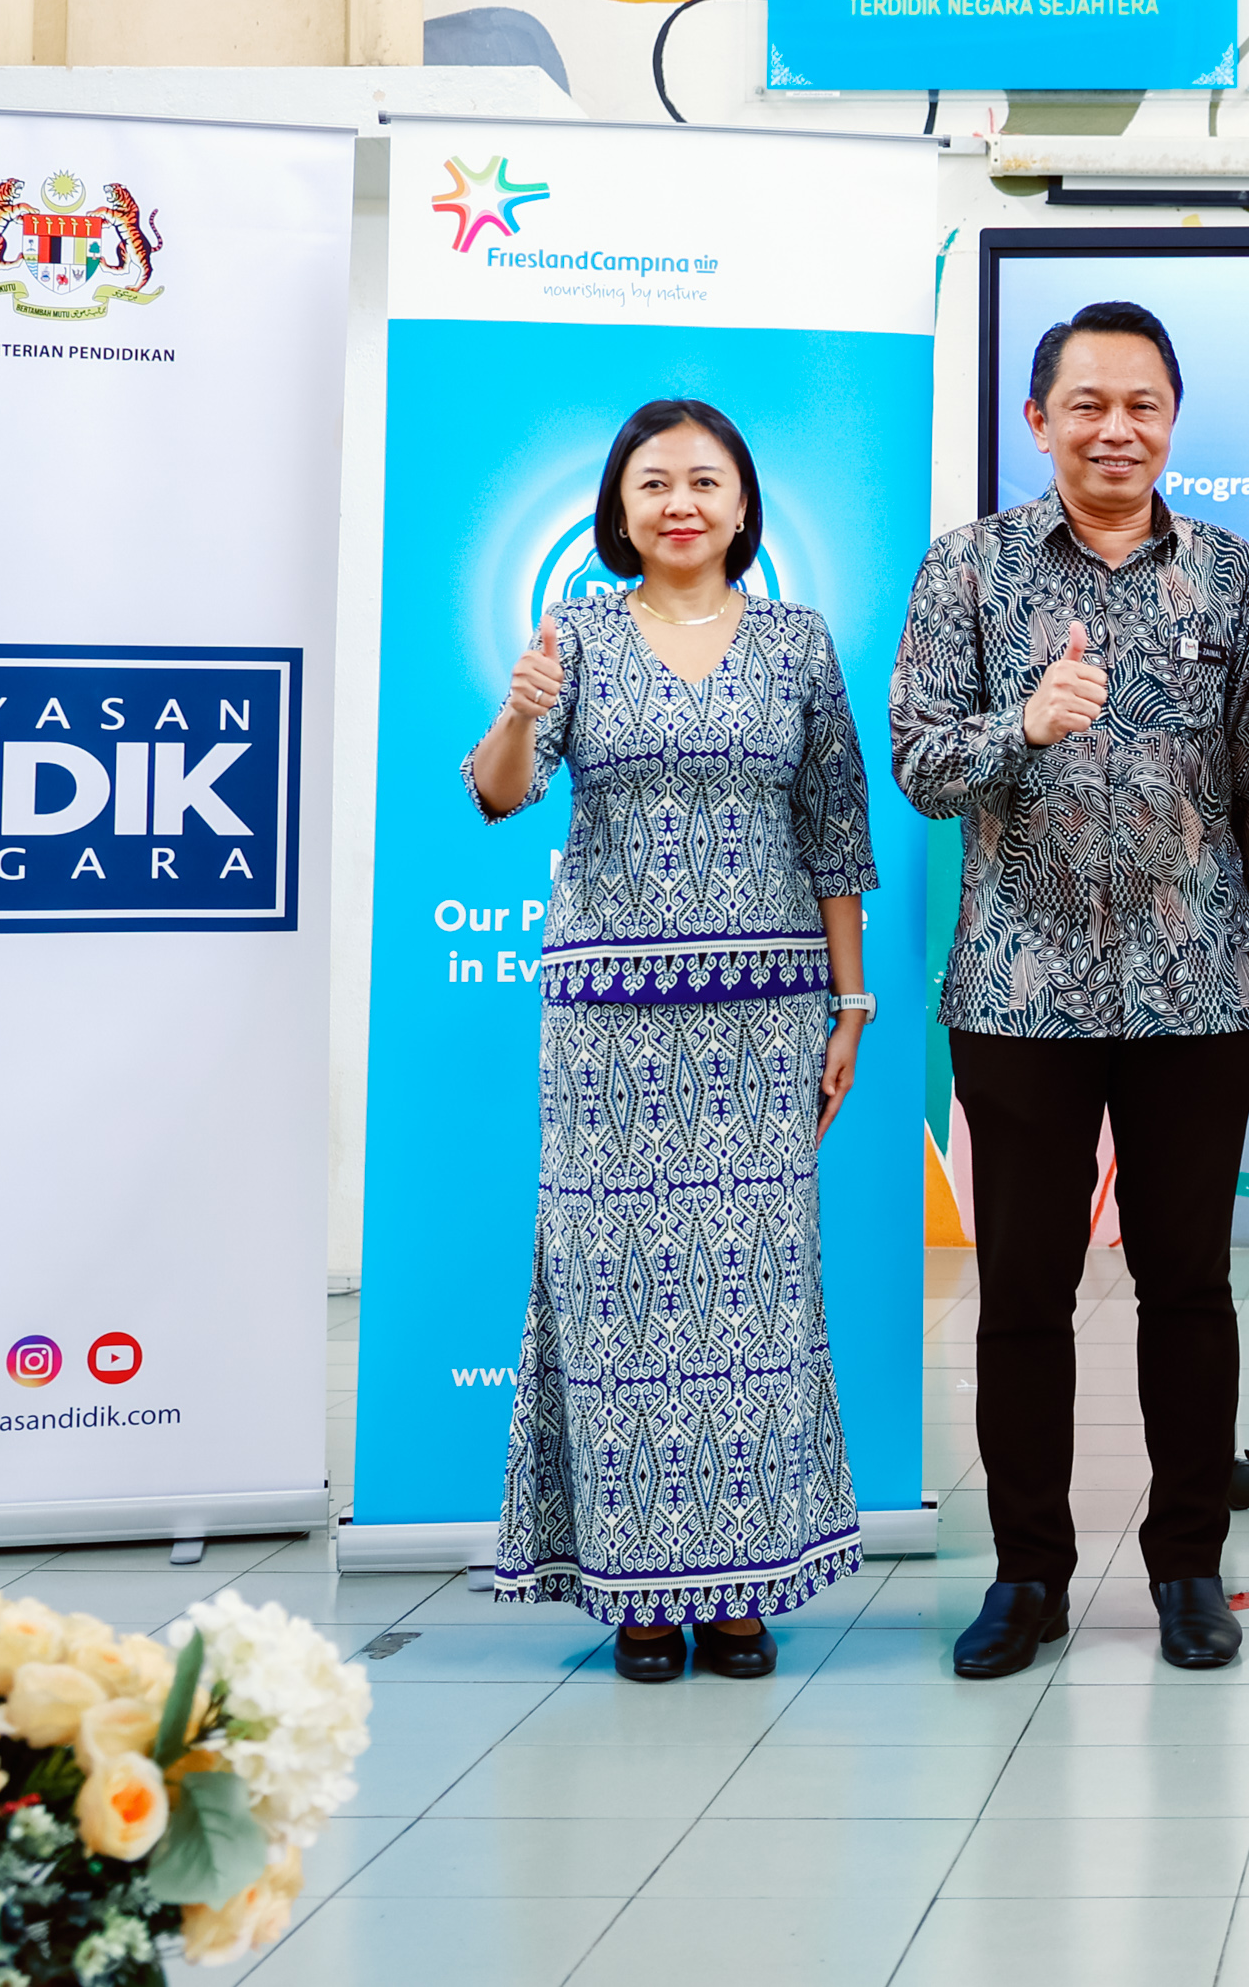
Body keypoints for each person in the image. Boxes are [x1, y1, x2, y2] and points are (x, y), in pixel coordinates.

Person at [892, 300, 1249, 1681]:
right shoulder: (968, 570)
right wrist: (1023, 725)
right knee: (1023, 1293)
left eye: (1141, 405)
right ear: (1039, 420)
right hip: (1021, 993)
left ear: (1171, 419)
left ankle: (1187, 1565)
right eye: (1087, 404)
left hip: (1199, 989)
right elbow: (918, 763)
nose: (1115, 429)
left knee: (1189, 1286)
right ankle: (1028, 1572)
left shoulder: (1230, 574)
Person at [470, 397, 879, 1683]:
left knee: (753, 1300)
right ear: (620, 507)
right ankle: (637, 1594)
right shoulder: (576, 633)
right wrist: (520, 710)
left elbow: (835, 830)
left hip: (764, 1015)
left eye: (705, 480)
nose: (681, 502)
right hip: (608, 1029)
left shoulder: (798, 643)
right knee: (621, 1304)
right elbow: (498, 793)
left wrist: (850, 1005)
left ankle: (743, 1588)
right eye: (654, 482)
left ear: (743, 505)